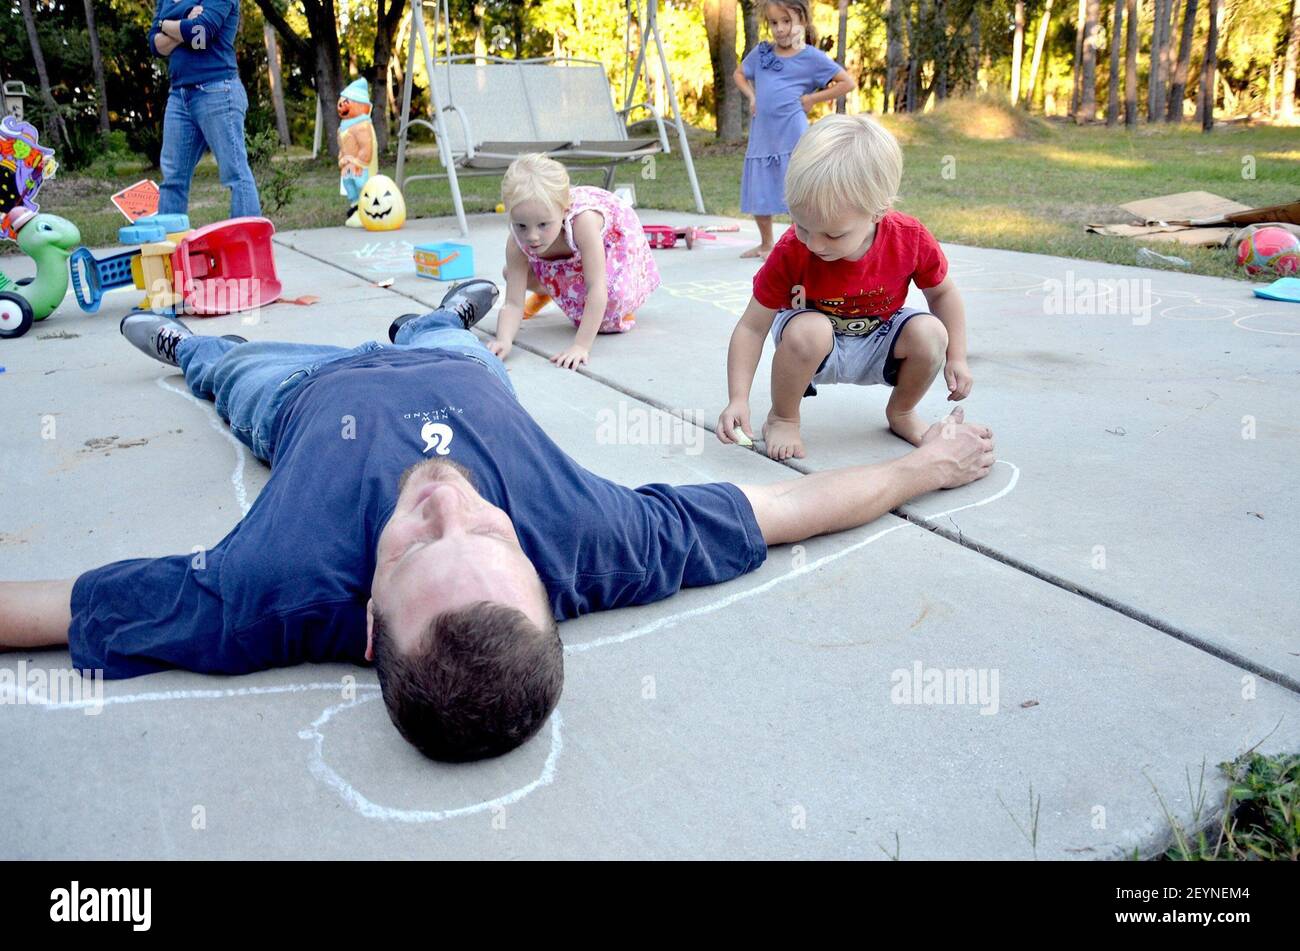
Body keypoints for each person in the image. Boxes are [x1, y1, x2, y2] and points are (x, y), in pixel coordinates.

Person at [0, 283, 995, 763]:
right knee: (450, 336)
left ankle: (187, 344)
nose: (445, 501)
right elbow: (784, 509)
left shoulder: (271, 594)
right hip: (455, 370)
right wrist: (923, 466)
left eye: (414, 548)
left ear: (366, 624)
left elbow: (47, 608)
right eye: (488, 536)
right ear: (546, 585)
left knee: (231, 372)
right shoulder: (592, 541)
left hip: (303, 392)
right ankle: (436, 314)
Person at [717, 114, 975, 462]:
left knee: (931, 333)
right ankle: (784, 417)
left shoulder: (909, 238)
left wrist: (957, 356)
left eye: (833, 234)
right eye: (802, 226)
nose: (814, 244)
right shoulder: (791, 250)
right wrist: (738, 398)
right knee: (811, 330)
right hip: (813, 346)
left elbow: (942, 294)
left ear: (878, 212)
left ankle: (901, 411)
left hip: (879, 338)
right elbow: (752, 326)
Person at [489, 154, 660, 370]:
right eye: (521, 225)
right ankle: (549, 290)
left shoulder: (583, 222)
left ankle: (619, 306)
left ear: (563, 209)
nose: (532, 236)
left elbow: (596, 286)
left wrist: (580, 346)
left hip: (613, 249)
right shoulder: (516, 242)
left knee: (608, 308)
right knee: (511, 273)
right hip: (567, 255)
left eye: (543, 224)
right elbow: (513, 303)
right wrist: (504, 340)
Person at [734, 0, 855, 260]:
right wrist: (752, 96)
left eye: (786, 21)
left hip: (792, 131)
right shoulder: (762, 54)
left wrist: (812, 99)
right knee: (760, 186)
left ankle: (797, 244)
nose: (780, 29)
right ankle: (766, 243)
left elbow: (847, 82)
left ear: (802, 21)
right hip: (763, 131)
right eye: (774, 23)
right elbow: (739, 74)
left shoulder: (811, 57)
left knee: (796, 187)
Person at [149, 0, 261, 219]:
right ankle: (170, 239)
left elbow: (200, 34)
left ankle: (248, 238)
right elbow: (155, 46)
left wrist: (165, 24)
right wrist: (184, 21)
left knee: (235, 173)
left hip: (217, 90)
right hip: (178, 95)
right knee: (172, 178)